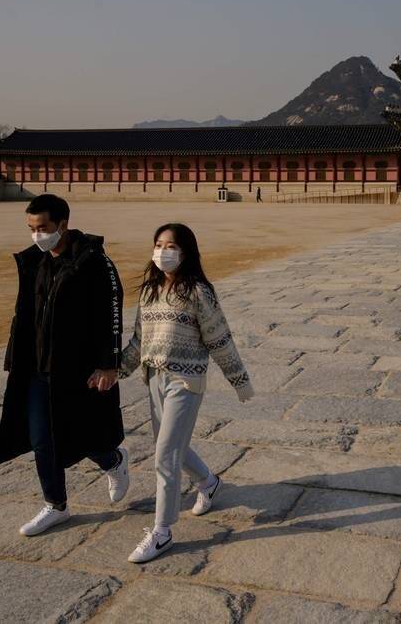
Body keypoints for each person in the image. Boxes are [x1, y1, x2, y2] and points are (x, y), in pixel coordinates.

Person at [117, 223, 254, 563]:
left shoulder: (198, 292)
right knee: (172, 445)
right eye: (159, 244)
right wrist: (117, 371)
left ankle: (162, 531)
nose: (163, 251)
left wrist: (240, 381)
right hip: (154, 379)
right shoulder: (149, 291)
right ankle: (209, 483)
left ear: (186, 252)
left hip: (185, 381)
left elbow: (219, 339)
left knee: (165, 454)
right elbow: (139, 340)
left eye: (171, 246)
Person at [0, 194, 129, 537]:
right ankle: (56, 505)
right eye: (31, 228)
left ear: (63, 225)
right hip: (39, 366)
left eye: (43, 228)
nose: (37, 235)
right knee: (42, 438)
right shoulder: (35, 262)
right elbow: (24, 313)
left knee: (83, 435)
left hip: (79, 366)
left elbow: (112, 312)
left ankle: (113, 461)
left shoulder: (94, 262)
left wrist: (109, 364)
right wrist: (16, 355)